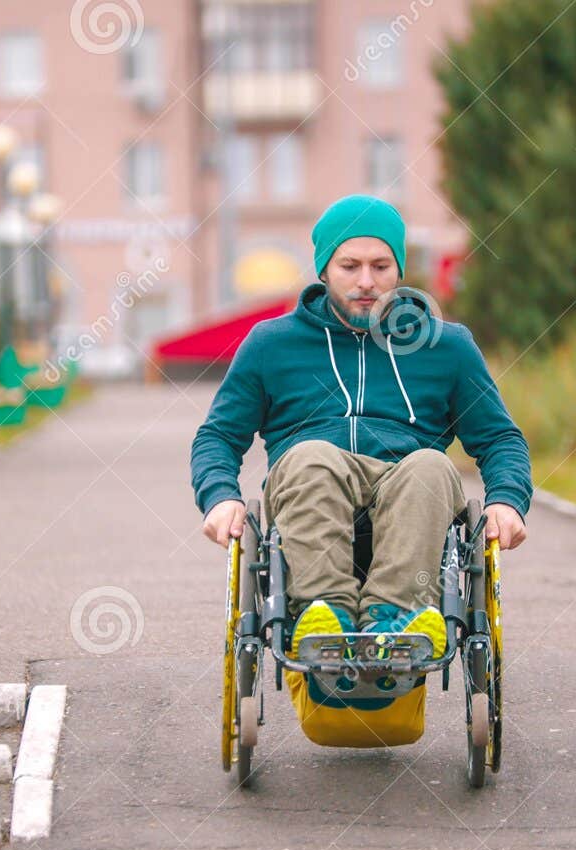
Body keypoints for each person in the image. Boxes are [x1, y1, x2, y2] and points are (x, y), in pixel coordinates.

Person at [191, 194, 530, 657]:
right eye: (350, 265)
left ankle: (397, 620)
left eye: (381, 266)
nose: (366, 281)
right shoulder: (272, 344)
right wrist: (220, 497)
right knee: (312, 456)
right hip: (310, 492)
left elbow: (499, 438)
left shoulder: (447, 347)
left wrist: (507, 501)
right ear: (324, 268)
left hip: (409, 493)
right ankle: (324, 616)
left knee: (431, 464)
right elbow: (218, 436)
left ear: (400, 270)